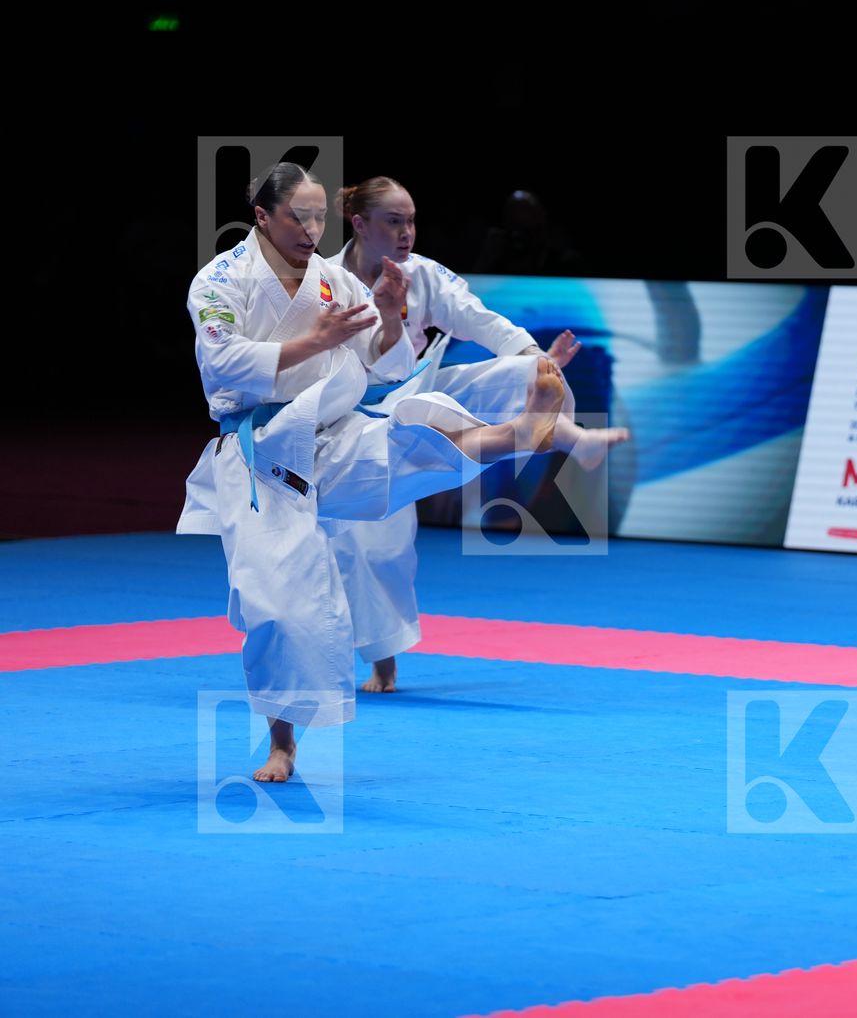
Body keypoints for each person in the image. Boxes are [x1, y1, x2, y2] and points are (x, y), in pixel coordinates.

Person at [177, 163, 568, 783]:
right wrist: (312, 342)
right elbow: (222, 364)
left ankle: (521, 433)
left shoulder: (334, 281)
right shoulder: (220, 280)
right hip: (261, 454)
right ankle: (283, 744)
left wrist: (387, 318)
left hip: (333, 433)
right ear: (261, 216)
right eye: (296, 217)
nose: (310, 229)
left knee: (413, 435)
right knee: (279, 604)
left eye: (317, 218)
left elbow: (384, 367)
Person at [326, 176, 628, 692]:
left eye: (411, 220)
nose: (406, 232)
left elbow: (483, 322)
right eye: (393, 221)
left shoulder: (423, 275)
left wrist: (538, 358)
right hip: (350, 421)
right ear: (359, 224)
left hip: (420, 400)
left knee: (524, 373)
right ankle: (380, 663)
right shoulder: (324, 281)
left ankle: (573, 438)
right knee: (374, 547)